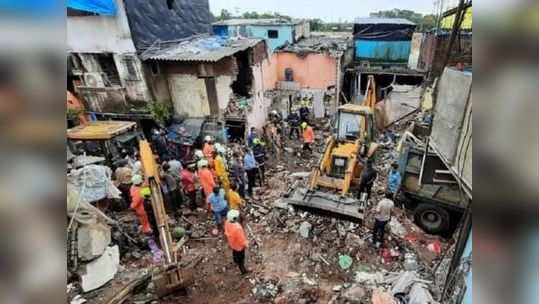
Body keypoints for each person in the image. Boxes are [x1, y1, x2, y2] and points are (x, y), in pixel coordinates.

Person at [224, 209, 249, 275]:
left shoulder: (227, 222)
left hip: (232, 243)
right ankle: (243, 270)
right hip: (239, 246)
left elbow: (226, 232)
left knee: (234, 252)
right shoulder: (238, 227)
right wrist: (246, 244)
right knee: (241, 259)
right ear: (235, 218)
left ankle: (235, 261)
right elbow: (242, 239)